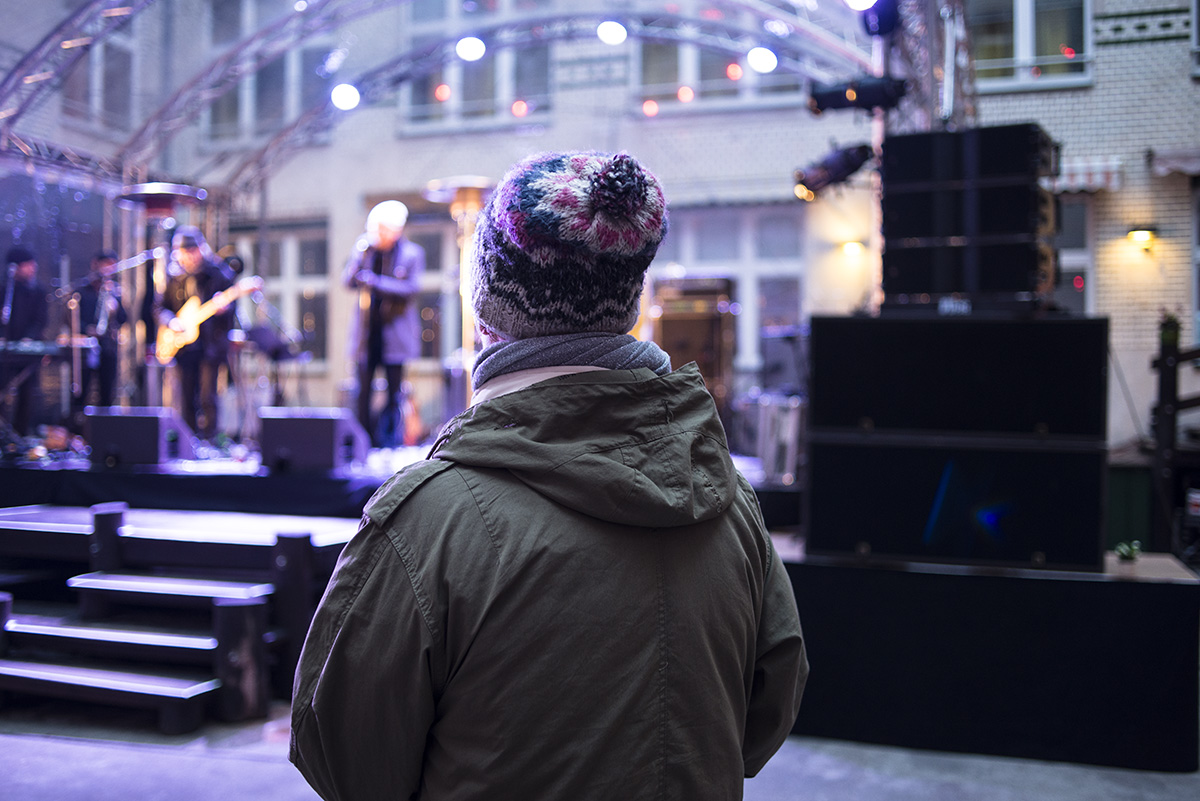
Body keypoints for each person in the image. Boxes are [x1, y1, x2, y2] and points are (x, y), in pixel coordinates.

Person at [291, 151, 808, 800]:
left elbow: (345, 759)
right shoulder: (732, 505)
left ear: (484, 305)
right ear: (630, 305)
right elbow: (762, 721)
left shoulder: (428, 522)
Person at [342, 199, 424, 447]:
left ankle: (390, 442)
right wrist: (359, 258)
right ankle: (363, 443)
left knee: (394, 394)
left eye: (383, 229)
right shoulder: (365, 250)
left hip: (395, 335)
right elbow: (348, 281)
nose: (378, 234)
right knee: (361, 393)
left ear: (396, 230)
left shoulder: (411, 254)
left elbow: (410, 289)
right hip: (366, 336)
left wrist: (375, 282)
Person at [155, 226, 238, 440]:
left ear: (201, 249)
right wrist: (171, 321)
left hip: (210, 345)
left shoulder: (219, 274)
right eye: (184, 252)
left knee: (207, 396)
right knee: (185, 397)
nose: (189, 257)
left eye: (193, 251)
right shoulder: (175, 277)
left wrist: (225, 309)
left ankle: (209, 439)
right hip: (183, 347)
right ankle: (189, 441)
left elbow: (232, 311)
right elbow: (160, 308)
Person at [1, 245, 49, 436]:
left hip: (27, 352)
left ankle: (21, 435)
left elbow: (40, 321)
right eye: (27, 264)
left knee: (27, 394)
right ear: (15, 267)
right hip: (5, 351)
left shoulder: (37, 291)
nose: (32, 268)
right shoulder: (5, 290)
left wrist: (30, 338)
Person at [75, 249, 128, 409]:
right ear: (95, 265)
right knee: (81, 390)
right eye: (106, 265)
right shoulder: (82, 291)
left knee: (107, 391)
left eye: (112, 265)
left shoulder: (114, 291)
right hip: (85, 347)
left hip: (107, 347)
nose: (109, 269)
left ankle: (104, 420)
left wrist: (115, 306)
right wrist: (87, 329)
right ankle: (78, 421)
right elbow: (73, 320)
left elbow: (123, 318)